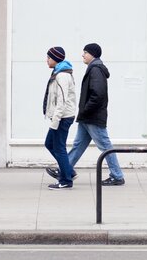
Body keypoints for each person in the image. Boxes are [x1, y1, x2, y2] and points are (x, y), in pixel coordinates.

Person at [47, 42, 125, 186]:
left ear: (92, 54)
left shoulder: (95, 70)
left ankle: (117, 175)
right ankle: (66, 169)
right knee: (78, 145)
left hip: (92, 117)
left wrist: (86, 110)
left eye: (85, 52)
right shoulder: (94, 68)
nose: (83, 55)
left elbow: (97, 95)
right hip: (87, 116)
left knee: (105, 146)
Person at [43, 46, 77, 190]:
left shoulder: (62, 75)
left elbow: (61, 101)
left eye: (48, 58)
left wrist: (55, 121)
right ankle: (68, 171)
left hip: (63, 117)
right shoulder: (58, 72)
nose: (47, 60)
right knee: (50, 144)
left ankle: (65, 180)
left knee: (59, 147)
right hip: (61, 116)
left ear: (55, 59)